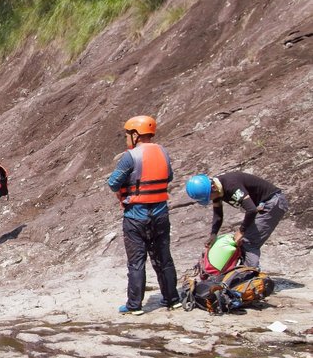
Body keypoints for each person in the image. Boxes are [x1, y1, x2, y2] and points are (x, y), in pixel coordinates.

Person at [107, 115, 180, 315]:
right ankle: (172, 299)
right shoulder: (163, 152)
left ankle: (134, 305)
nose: (126, 139)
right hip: (160, 214)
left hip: (136, 217)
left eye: (127, 135)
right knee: (164, 258)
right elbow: (170, 176)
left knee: (136, 261)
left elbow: (113, 183)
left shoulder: (130, 156)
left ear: (136, 135)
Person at [185, 172, 288, 269]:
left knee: (248, 242)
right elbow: (218, 215)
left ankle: (251, 275)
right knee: (242, 241)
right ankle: (243, 271)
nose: (211, 200)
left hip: (273, 203)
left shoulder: (231, 185)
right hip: (261, 205)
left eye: (209, 197)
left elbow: (251, 210)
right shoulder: (217, 189)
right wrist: (213, 234)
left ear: (213, 187)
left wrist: (241, 231)